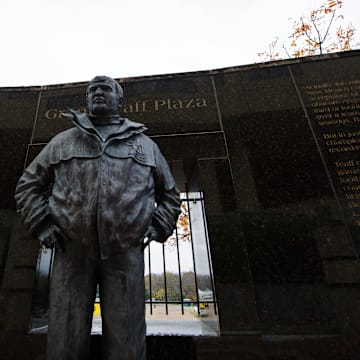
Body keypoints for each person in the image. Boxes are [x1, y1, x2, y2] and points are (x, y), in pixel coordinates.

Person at [15, 76, 181, 360]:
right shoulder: (62, 142)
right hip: (71, 253)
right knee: (64, 341)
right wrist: (42, 223)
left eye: (105, 89)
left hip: (124, 255)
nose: (98, 93)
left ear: (120, 100)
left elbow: (170, 196)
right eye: (92, 89)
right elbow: (27, 186)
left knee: (127, 341)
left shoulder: (146, 146)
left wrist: (156, 226)